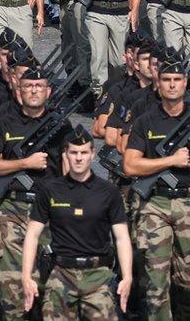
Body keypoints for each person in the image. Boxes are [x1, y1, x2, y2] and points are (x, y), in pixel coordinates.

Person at [124, 59, 190, 319]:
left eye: (177, 80)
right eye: (166, 79)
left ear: (185, 83)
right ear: (158, 83)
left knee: (188, 280)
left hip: (189, 203)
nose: (171, 85)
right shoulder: (146, 121)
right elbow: (130, 165)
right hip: (153, 203)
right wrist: (169, 161)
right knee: (156, 281)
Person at [0, 65, 73, 319]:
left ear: (48, 91)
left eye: (39, 86)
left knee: (52, 287)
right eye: (29, 86)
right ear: (19, 91)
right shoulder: (5, 123)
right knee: (13, 287)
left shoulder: (61, 126)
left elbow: (71, 169)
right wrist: (23, 163)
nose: (34, 91)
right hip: (12, 211)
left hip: (49, 212)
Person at [22, 129, 133, 319]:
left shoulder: (108, 192)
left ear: (92, 154)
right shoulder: (50, 190)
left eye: (83, 153)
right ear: (65, 154)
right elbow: (32, 234)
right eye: (74, 152)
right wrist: (26, 276)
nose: (79, 158)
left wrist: (127, 276)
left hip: (98, 275)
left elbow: (122, 237)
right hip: (61, 274)